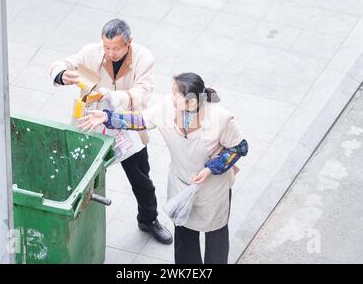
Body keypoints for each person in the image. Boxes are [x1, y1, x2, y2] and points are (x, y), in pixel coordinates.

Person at [78, 72, 249, 264]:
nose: (171, 97)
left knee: (215, 236)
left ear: (192, 102)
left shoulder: (220, 118)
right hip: (180, 183)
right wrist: (107, 117)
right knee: (184, 236)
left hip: (212, 189)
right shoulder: (168, 107)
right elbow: (141, 120)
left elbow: (240, 147)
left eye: (176, 94)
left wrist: (211, 168)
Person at [50, 19, 173, 245]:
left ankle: (149, 219)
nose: (110, 53)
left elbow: (143, 92)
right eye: (106, 47)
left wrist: (110, 96)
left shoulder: (144, 59)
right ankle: (70, 218)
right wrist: (61, 74)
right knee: (79, 173)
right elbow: (64, 63)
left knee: (141, 178)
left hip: (125, 124)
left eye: (116, 48)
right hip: (90, 122)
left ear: (129, 44)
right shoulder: (91, 53)